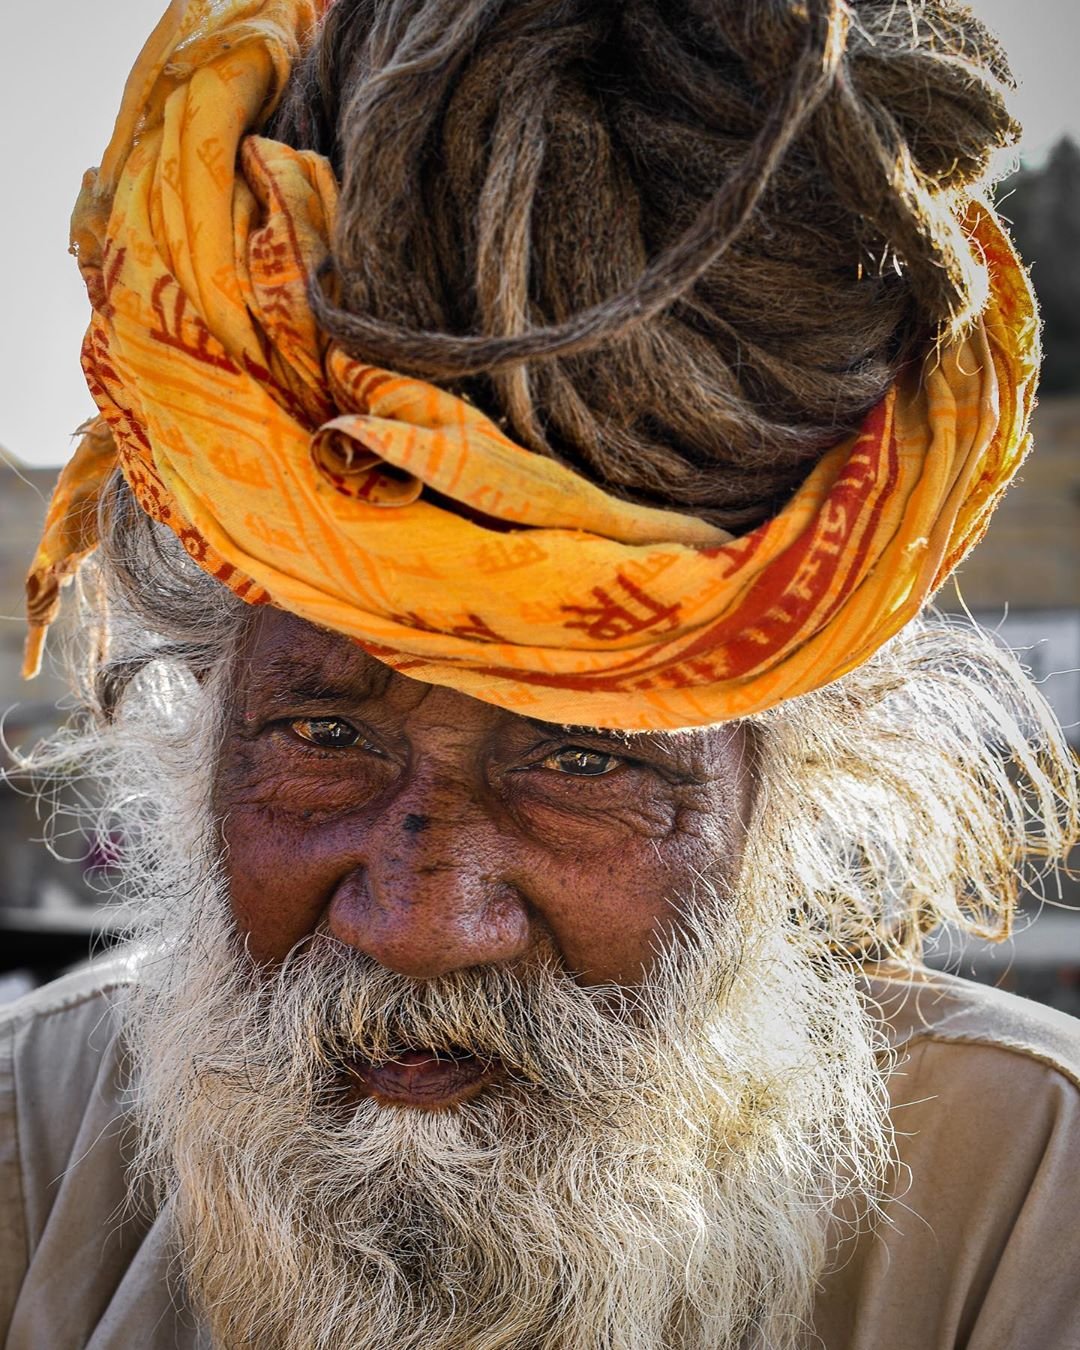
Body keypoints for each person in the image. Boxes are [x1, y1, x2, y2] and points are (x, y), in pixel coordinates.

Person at [2, 0, 1079, 1347]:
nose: (426, 919)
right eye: (326, 731)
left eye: (585, 758)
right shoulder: (29, 1158)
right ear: (203, 733)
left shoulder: (1031, 1196)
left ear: (785, 793)